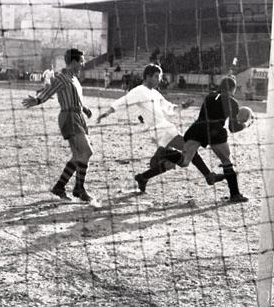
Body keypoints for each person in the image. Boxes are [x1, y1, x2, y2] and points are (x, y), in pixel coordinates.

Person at [96, 64, 223, 192]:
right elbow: (123, 101)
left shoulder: (155, 93)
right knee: (189, 148)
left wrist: (183, 106)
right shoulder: (139, 91)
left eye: (160, 77)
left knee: (169, 164)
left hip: (162, 129)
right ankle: (208, 176)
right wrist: (107, 112)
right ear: (147, 76)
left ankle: (143, 177)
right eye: (156, 76)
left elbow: (169, 107)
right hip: (161, 130)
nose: (159, 79)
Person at [22, 48, 95, 202]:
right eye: (81, 61)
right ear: (74, 62)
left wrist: (84, 108)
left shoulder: (74, 78)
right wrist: (37, 100)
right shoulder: (62, 77)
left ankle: (60, 187)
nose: (83, 64)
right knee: (87, 151)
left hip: (78, 116)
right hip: (69, 117)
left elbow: (76, 98)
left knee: (78, 155)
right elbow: (49, 92)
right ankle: (79, 189)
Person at [162, 76, 249, 203]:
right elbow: (232, 128)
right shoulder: (232, 102)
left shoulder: (209, 97)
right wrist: (245, 125)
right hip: (215, 131)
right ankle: (235, 194)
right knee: (226, 161)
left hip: (197, 128)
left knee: (184, 161)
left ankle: (165, 153)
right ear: (233, 89)